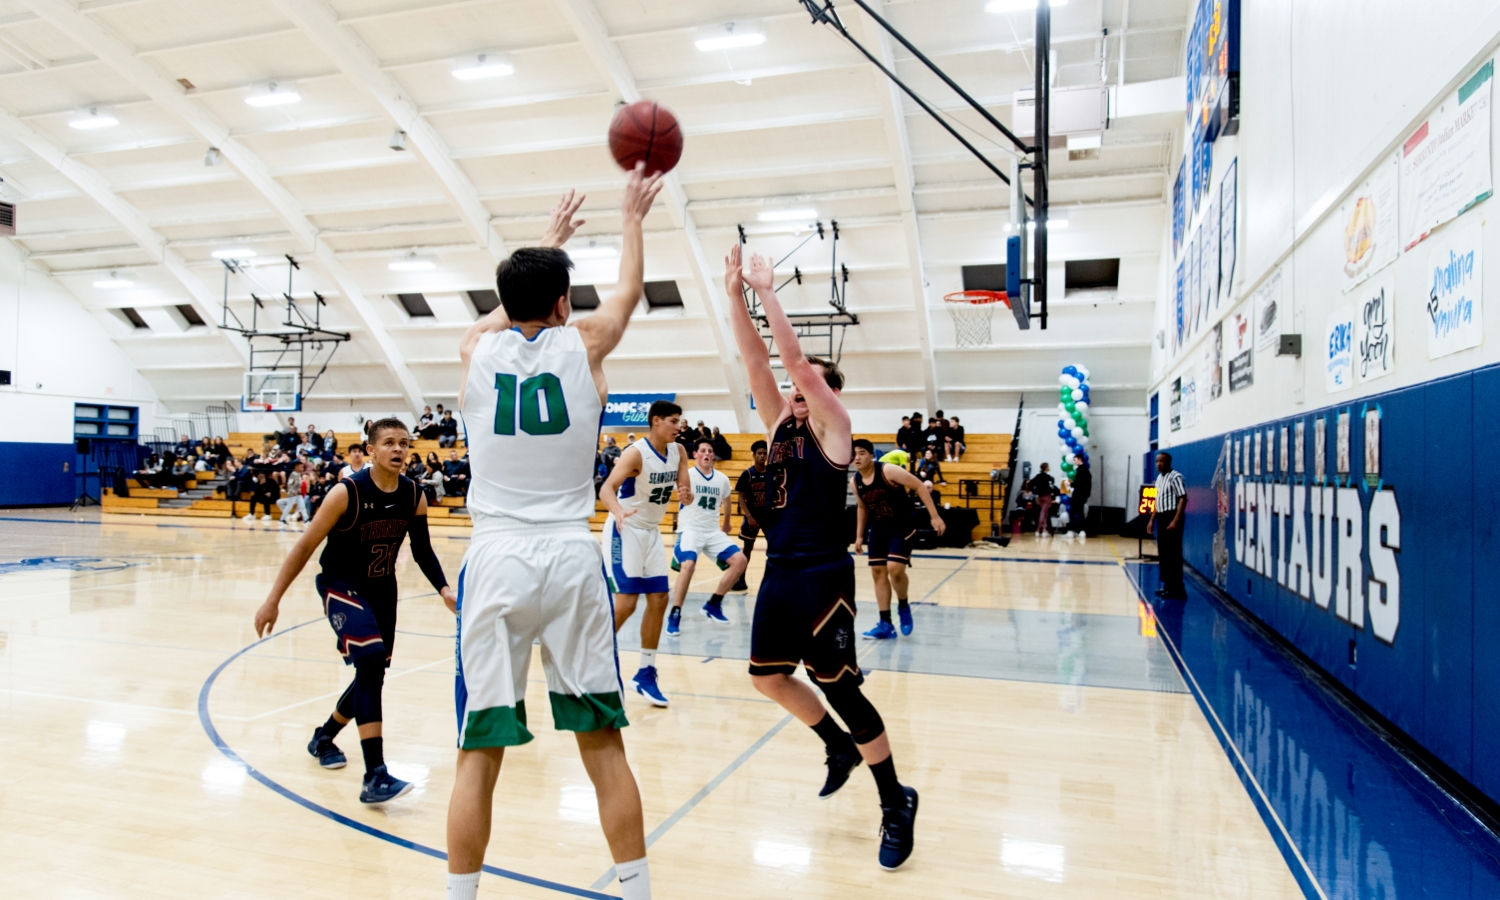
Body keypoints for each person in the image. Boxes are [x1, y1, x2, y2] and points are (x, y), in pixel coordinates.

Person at [446, 173, 664, 900]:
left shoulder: (476, 349)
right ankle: (636, 892)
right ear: (566, 303)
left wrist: (548, 243)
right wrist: (632, 218)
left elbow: (508, 309)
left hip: (497, 556)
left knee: (478, 753)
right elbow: (628, 295)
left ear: (505, 304)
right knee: (602, 743)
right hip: (571, 557)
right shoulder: (586, 345)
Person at [725, 243, 919, 871]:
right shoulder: (781, 425)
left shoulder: (835, 427)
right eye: (797, 394)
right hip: (779, 574)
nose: (798, 395)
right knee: (766, 677)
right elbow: (759, 363)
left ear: (831, 395)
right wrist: (734, 295)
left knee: (843, 689)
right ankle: (836, 747)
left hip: (822, 577)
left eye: (810, 390)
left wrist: (768, 291)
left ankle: (895, 801)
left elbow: (796, 365)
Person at [254, 418, 455, 803]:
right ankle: (375, 775)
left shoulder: (415, 493)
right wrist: (273, 599)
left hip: (382, 590)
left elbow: (422, 550)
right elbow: (303, 547)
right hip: (341, 585)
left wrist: (444, 588)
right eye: (389, 443)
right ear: (371, 449)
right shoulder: (346, 493)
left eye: (404, 443)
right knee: (371, 661)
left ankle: (324, 736)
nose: (398, 450)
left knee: (372, 671)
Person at [598, 400, 691, 707]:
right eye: (674, 421)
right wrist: (618, 512)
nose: (679, 426)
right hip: (625, 528)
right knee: (626, 602)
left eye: (680, 421)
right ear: (656, 421)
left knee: (659, 599)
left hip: (651, 531)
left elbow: (682, 480)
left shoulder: (678, 451)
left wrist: (686, 492)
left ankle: (645, 673)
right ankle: (592, 661)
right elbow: (606, 489)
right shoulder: (635, 453)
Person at [851, 439, 944, 640]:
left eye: (861, 453)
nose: (856, 457)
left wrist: (934, 516)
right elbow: (862, 507)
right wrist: (859, 536)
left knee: (895, 569)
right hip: (878, 529)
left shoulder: (887, 471)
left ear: (871, 455)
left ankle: (903, 604)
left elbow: (919, 485)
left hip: (902, 525)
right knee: (878, 572)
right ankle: (885, 624)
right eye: (854, 454)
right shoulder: (855, 482)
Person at [665, 438, 747, 635]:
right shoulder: (687, 475)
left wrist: (727, 522)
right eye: (702, 450)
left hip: (711, 531)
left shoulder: (722, 479)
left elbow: (726, 500)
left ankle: (714, 604)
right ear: (695, 454)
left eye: (710, 451)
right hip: (690, 530)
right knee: (689, 565)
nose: (707, 454)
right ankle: (675, 613)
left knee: (740, 561)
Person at [730, 439, 770, 593]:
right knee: (747, 549)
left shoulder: (770, 473)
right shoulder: (747, 474)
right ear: (753, 455)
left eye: (765, 453)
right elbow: (741, 497)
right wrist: (749, 516)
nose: (762, 456)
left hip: (767, 517)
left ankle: (773, 579)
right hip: (752, 516)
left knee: (774, 547)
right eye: (759, 453)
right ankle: (740, 578)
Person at [1149, 451, 1187, 599]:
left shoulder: (1175, 477)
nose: (1158, 464)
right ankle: (1168, 585)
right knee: (1163, 553)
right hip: (1162, 517)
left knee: (1174, 554)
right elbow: (1158, 502)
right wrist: (1152, 520)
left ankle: (1178, 588)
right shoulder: (1159, 478)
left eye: (1162, 461)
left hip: (1173, 516)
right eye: (1157, 461)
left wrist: (1176, 520)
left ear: (1169, 463)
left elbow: (1183, 498)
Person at [1067, 454, 1091, 539]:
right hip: (1082, 494)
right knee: (1080, 512)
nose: (1074, 461)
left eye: (1075, 460)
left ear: (1080, 460)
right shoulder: (1085, 470)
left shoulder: (1082, 471)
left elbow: (1080, 483)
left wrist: (1071, 484)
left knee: (1073, 511)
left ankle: (1073, 530)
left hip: (1078, 494)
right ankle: (1081, 530)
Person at [1029, 462, 1057, 535]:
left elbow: (1030, 483)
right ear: (1046, 467)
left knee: (1045, 513)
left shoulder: (1038, 476)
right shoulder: (1048, 477)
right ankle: (1038, 529)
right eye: (1048, 466)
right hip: (1047, 496)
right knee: (1043, 513)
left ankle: (1044, 529)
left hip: (1040, 496)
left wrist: (1034, 491)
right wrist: (1052, 491)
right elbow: (1051, 487)